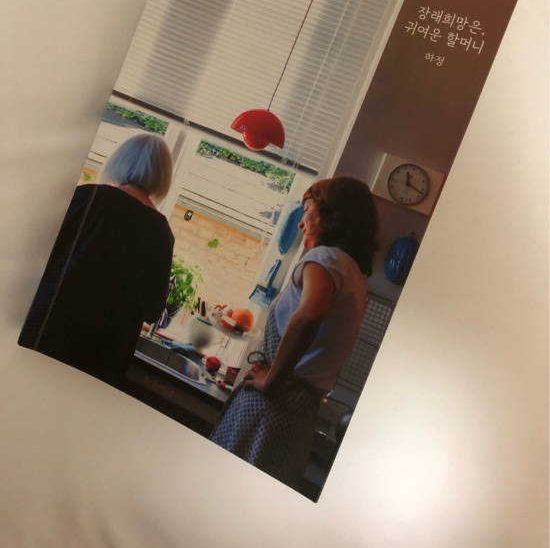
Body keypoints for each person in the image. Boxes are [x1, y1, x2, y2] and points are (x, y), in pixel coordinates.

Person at [210, 176, 379, 489]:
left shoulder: (325, 259)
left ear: (330, 216)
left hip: (271, 406)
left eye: (308, 210)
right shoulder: (355, 275)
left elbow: (310, 316)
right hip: (299, 412)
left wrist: (272, 382)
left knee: (222, 488)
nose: (301, 223)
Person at [18, 133, 175, 386]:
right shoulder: (161, 232)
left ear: (120, 161)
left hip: (47, 327)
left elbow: (34, 253)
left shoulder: (85, 196)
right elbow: (152, 309)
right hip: (103, 355)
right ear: (163, 177)